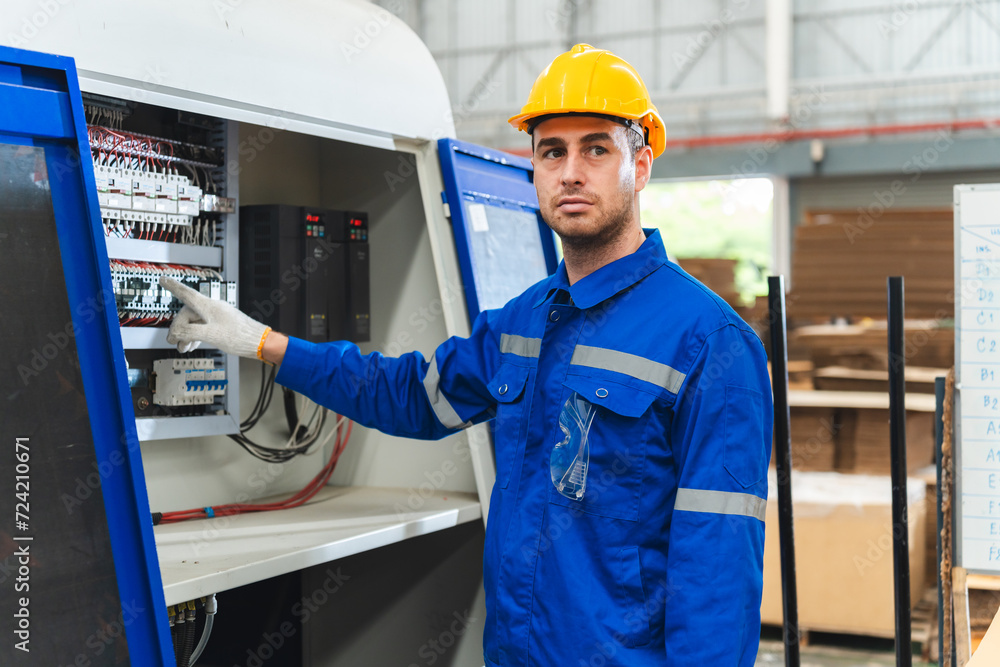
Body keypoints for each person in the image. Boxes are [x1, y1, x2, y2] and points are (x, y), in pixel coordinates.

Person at [161, 43, 772, 666]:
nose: (570, 173)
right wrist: (260, 342)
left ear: (639, 166)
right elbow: (407, 397)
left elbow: (717, 572)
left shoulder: (711, 343)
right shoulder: (526, 320)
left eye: (596, 148)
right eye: (551, 151)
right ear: (533, 167)